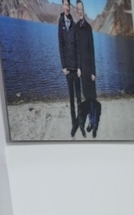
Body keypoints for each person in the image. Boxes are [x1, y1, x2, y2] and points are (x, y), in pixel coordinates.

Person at [72, 0, 96, 138]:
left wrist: (94, 71)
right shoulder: (75, 28)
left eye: (81, 8)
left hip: (89, 68)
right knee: (85, 97)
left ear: (84, 10)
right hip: (81, 69)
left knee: (92, 97)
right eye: (78, 8)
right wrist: (78, 68)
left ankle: (92, 122)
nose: (80, 11)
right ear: (76, 10)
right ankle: (84, 119)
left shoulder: (88, 27)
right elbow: (76, 50)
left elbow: (92, 50)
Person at [57, 0, 77, 137]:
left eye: (68, 5)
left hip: (76, 67)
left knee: (78, 97)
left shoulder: (73, 24)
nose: (66, 7)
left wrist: (80, 66)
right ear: (63, 6)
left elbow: (77, 46)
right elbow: (60, 45)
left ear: (70, 7)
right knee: (71, 98)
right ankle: (73, 123)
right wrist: (63, 66)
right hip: (68, 68)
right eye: (64, 5)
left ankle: (79, 121)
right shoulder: (61, 23)